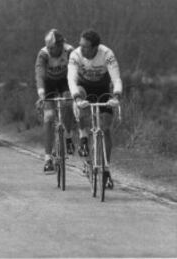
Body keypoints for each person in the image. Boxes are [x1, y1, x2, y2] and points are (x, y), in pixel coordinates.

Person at [67, 29, 122, 187]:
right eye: (80, 45)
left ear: (95, 47)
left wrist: (116, 96)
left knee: (105, 129)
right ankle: (83, 136)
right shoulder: (76, 55)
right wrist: (77, 98)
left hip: (102, 89)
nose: (81, 49)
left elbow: (116, 79)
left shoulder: (107, 54)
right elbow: (71, 79)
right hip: (84, 88)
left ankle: (105, 171)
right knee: (81, 99)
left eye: (85, 46)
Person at [35, 29, 75, 173]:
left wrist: (76, 91)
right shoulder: (43, 54)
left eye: (53, 47)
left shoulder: (70, 51)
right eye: (48, 47)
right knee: (49, 116)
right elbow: (39, 75)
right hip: (49, 83)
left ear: (60, 45)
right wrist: (41, 94)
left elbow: (75, 72)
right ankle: (47, 159)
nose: (50, 50)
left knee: (68, 103)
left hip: (65, 81)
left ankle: (68, 137)